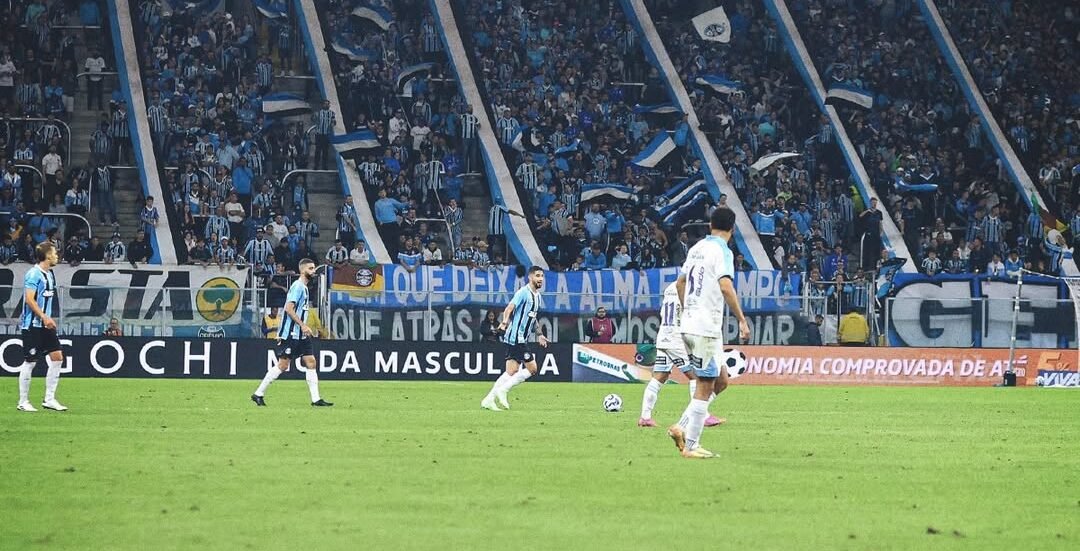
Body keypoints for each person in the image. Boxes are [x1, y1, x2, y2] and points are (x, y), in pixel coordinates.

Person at [668, 207, 750, 459]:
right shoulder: (722, 251)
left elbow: (681, 282)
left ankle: (681, 426)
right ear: (733, 229)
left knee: (721, 381)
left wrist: (687, 309)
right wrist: (742, 320)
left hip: (695, 324)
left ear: (710, 225)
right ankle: (691, 445)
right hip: (704, 327)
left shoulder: (697, 248)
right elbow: (726, 286)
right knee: (705, 384)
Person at [638, 282, 724, 428]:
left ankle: (645, 417)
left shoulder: (671, 287)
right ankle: (702, 416)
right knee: (697, 377)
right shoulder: (689, 288)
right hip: (676, 338)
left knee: (659, 376)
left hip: (664, 335)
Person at [251, 259, 333, 407]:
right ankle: (258, 393)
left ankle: (316, 400)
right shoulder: (298, 287)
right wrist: (303, 326)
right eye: (311, 268)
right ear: (302, 270)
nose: (313, 271)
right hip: (291, 333)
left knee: (311, 362)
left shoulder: (305, 288)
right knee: (283, 365)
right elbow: (289, 309)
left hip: (301, 334)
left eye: (314, 268)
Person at [480, 266, 549, 411]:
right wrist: (504, 322)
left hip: (521, 337)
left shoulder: (537, 296)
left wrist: (539, 334)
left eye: (542, 276)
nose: (540, 279)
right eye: (537, 276)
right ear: (530, 277)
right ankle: (503, 390)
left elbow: (533, 317)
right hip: (516, 337)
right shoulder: (523, 292)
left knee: (511, 371)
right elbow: (509, 308)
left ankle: (488, 400)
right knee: (532, 369)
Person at [17, 242, 68, 412]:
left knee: (57, 358)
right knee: (30, 362)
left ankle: (49, 399)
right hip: (32, 325)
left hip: (45, 325)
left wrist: (47, 317)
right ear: (47, 256)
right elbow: (29, 299)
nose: (57, 256)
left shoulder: (50, 274)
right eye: (54, 253)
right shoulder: (33, 274)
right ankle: (23, 401)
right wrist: (44, 317)